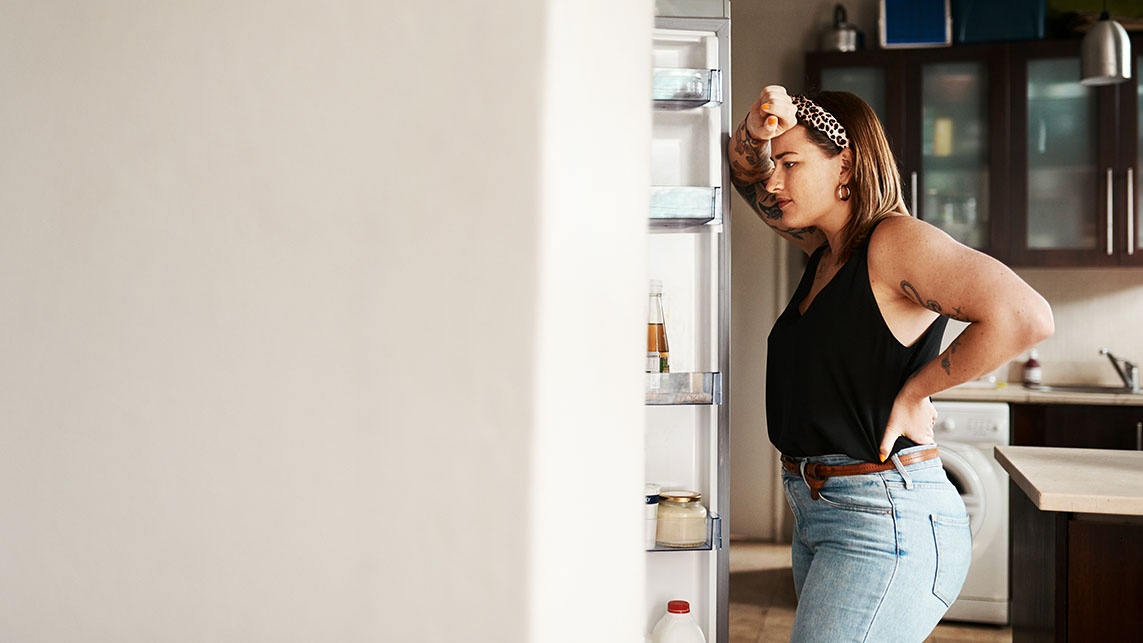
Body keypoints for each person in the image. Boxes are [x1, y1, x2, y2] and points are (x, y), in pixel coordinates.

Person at [728, 86, 1054, 642]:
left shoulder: (894, 241)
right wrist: (760, 130)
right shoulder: (826, 254)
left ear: (846, 163)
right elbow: (740, 175)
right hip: (821, 510)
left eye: (789, 162)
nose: (772, 181)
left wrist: (915, 391)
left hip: (882, 518)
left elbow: (1026, 315)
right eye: (771, 164)